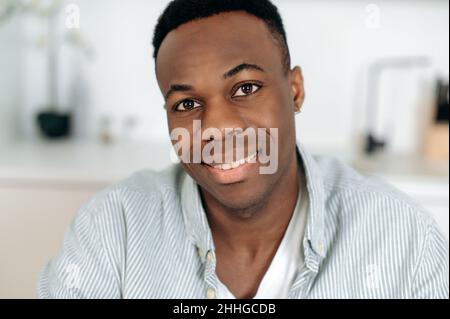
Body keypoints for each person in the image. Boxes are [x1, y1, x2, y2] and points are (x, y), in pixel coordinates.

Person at [38, 0, 448, 299]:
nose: (216, 128)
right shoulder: (112, 229)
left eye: (246, 88)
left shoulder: (403, 237)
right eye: (186, 104)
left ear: (294, 91)